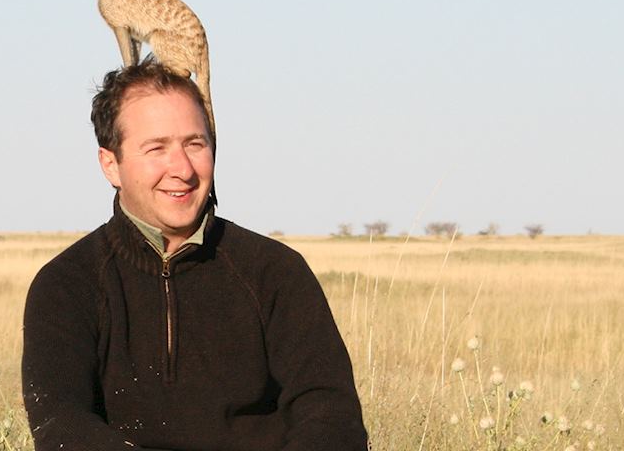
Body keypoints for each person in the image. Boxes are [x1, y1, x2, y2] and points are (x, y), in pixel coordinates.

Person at [21, 64, 369, 451]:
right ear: (111, 164)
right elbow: (60, 423)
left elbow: (331, 414)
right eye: (157, 148)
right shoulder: (68, 285)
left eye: (195, 144)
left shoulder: (275, 273)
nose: (182, 169)